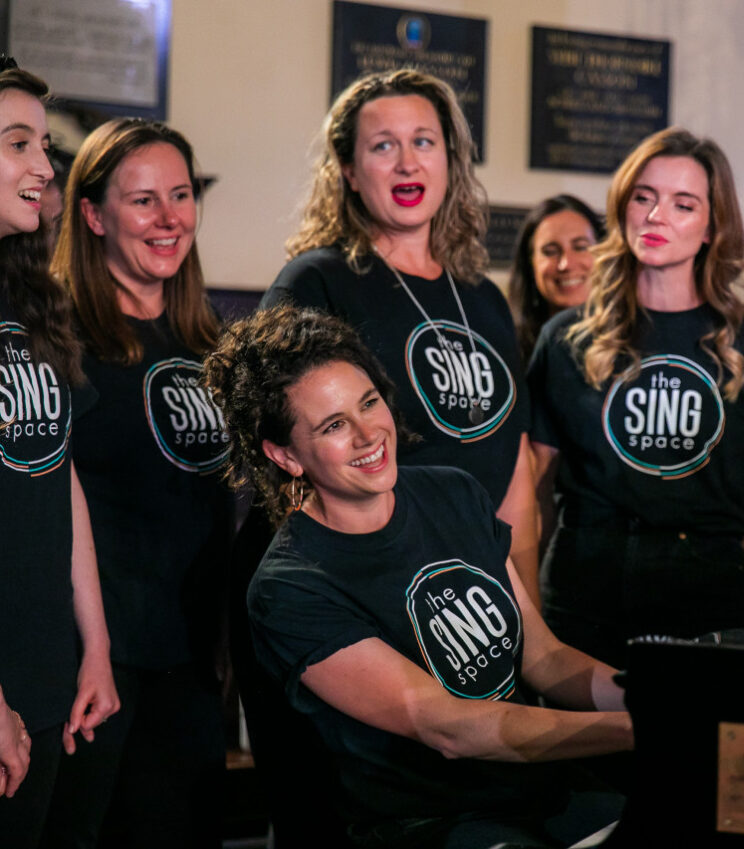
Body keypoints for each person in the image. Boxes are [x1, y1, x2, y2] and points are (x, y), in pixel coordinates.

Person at [202, 305, 631, 849]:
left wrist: (662, 700)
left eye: (369, 403)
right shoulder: (289, 585)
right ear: (285, 455)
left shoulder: (452, 491)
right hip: (433, 823)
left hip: (541, 788)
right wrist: (638, 731)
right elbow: (449, 727)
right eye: (334, 426)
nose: (368, 434)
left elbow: (543, 656)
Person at [528, 127, 744, 668]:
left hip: (704, 590)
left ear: (711, 227)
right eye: (644, 197)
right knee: (578, 752)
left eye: (683, 204)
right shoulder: (566, 336)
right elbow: (529, 490)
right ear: (623, 207)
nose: (657, 216)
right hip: (584, 583)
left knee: (688, 751)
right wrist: (526, 617)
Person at [261, 69, 538, 600]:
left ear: (450, 162)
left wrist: (531, 622)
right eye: (383, 145)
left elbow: (514, 470)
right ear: (349, 171)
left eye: (423, 142)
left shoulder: (482, 296)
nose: (407, 162)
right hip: (374, 585)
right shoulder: (315, 282)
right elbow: (286, 467)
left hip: (481, 588)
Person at [40, 118, 230, 849]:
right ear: (92, 214)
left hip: (192, 659)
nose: (169, 218)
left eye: (180, 195)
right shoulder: (55, 336)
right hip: (95, 665)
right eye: (144, 199)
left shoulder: (207, 338)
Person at [0, 59, 119, 848]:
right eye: (18, 144)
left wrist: (96, 646)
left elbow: (58, 472)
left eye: (44, 145)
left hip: (47, 677)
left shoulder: (27, 294)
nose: (46, 166)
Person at [507, 194, 604, 362]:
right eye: (550, 251)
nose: (565, 264)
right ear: (530, 263)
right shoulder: (506, 348)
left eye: (580, 247)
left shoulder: (633, 343)